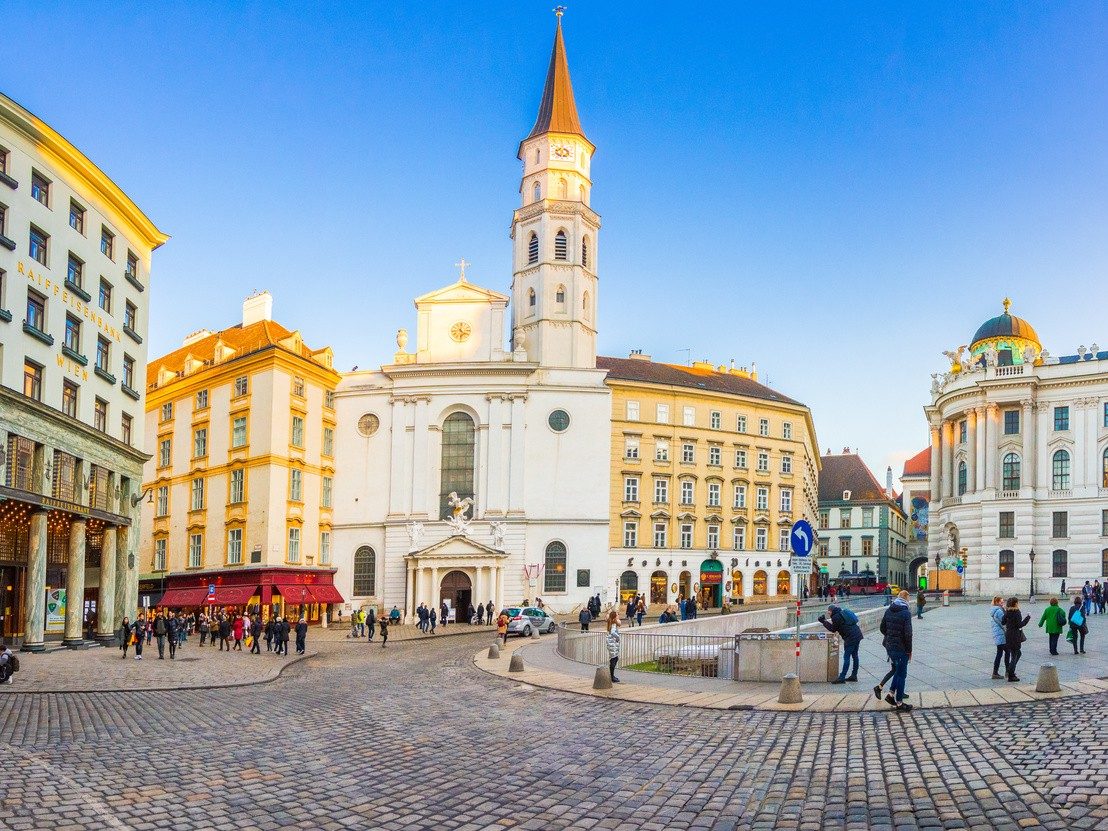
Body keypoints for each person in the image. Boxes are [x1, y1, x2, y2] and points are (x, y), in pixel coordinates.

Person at [878, 589, 913, 711]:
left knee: (897, 671)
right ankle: (899, 702)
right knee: (902, 674)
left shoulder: (889, 610)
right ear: (906, 599)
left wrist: (891, 636)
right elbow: (908, 634)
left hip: (890, 646)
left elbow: (882, 628)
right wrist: (909, 650)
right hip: (901, 648)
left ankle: (890, 694)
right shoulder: (906, 613)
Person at [819, 604, 863, 684]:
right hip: (857, 634)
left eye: (829, 612)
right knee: (855, 656)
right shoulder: (842, 612)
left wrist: (823, 622)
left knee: (846, 657)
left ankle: (842, 677)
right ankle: (854, 675)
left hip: (850, 638)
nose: (828, 613)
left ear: (831, 611)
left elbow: (833, 629)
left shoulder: (836, 617)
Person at [989, 596, 1008, 680]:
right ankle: (1008, 671)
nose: (1003, 603)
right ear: (997, 602)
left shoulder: (993, 610)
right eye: (1001, 602)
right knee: (1007, 652)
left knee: (999, 653)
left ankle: (995, 672)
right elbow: (1004, 622)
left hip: (997, 634)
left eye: (1003, 602)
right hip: (1001, 634)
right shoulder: (999, 611)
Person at [605, 611, 622, 683]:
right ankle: (611, 676)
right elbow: (613, 632)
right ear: (615, 616)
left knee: (613, 659)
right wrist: (618, 637)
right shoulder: (614, 624)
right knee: (614, 659)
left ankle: (611, 675)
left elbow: (607, 617)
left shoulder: (610, 622)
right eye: (617, 615)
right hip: (613, 644)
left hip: (611, 643)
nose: (618, 616)